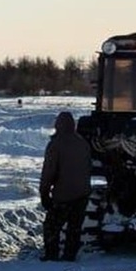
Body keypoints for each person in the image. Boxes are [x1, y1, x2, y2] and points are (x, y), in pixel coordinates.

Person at [39, 110, 92, 262]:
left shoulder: (56, 144)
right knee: (74, 227)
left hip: (63, 194)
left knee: (51, 226)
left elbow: (48, 171)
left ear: (58, 125)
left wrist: (44, 193)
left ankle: (52, 255)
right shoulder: (83, 143)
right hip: (83, 193)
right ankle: (70, 255)